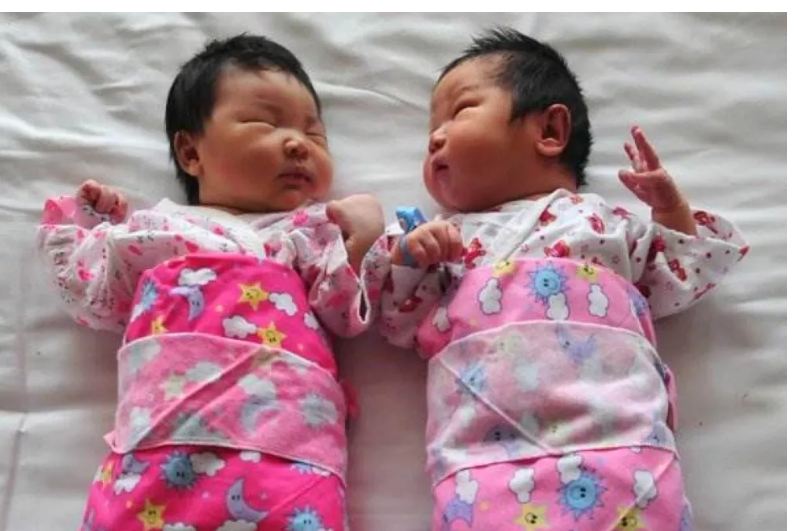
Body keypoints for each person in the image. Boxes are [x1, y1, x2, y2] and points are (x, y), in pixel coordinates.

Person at [370, 27, 748, 530]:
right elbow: (398, 321)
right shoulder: (446, 238)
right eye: (430, 133)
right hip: (485, 464)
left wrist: (670, 209)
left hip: (619, 449)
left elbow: (681, 275)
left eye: (459, 112)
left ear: (549, 130)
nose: (436, 137)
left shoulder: (601, 223)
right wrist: (410, 258)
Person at [37, 34, 384, 531]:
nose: (298, 143)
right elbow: (89, 295)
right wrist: (94, 220)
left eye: (315, 133)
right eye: (266, 122)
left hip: (287, 461)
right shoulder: (154, 231)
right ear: (190, 152)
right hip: (158, 454)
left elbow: (343, 313)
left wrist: (360, 242)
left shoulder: (311, 231)